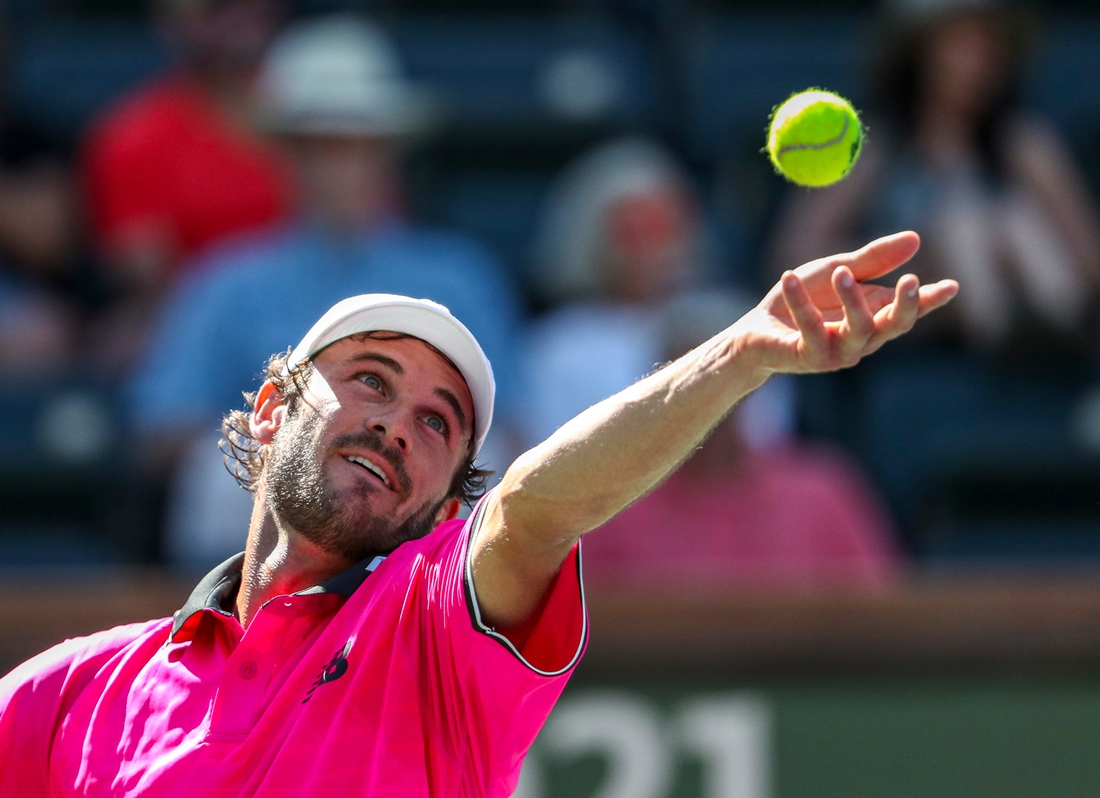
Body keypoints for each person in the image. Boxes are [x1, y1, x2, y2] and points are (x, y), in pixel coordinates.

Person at [0, 232, 957, 795]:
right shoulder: (72, 692)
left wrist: (738, 356)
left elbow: (534, 512)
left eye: (437, 422)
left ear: (442, 501)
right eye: (368, 379)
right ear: (271, 408)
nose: (395, 425)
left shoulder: (434, 633)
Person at [127, 16, 521, 567]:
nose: (338, 167)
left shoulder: (459, 275)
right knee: (207, 471)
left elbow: (512, 425)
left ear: (388, 152)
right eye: (318, 146)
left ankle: (447, 630)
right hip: (270, 516)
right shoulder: (225, 279)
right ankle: (230, 636)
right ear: (285, 154)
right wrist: (304, 455)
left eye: (356, 145)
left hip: (419, 506)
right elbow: (165, 431)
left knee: (495, 463)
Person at [767, 0, 1100, 359]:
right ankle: (1007, 342)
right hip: (919, 339)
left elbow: (1089, 265)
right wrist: (911, 267)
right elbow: (793, 259)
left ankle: (1041, 347)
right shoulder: (876, 148)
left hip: (1045, 315)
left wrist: (1003, 245)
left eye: (989, 47)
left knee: (1016, 227)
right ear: (920, 51)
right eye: (959, 44)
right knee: (961, 229)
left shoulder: (1025, 145)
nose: (976, 64)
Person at [81, 0, 293, 373]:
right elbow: (151, 280)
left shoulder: (324, 116)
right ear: (174, 21)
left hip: (323, 305)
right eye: (217, 8)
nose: (239, 17)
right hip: (195, 325)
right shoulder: (136, 135)